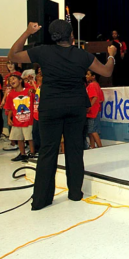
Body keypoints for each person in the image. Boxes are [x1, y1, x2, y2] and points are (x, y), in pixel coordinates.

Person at [8, 20, 115, 210]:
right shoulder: (82, 55)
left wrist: (27, 32)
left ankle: (41, 200)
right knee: (74, 150)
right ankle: (75, 193)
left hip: (50, 107)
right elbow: (106, 71)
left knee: (48, 151)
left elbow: (12, 55)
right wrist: (112, 56)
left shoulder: (43, 51)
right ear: (72, 35)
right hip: (75, 107)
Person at [5, 75, 35, 162]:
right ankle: (22, 154)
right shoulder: (11, 94)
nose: (11, 81)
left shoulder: (28, 91)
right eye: (10, 80)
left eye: (13, 79)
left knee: (29, 138)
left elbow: (35, 93)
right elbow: (10, 107)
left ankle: (32, 154)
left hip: (28, 120)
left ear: (20, 80)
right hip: (17, 120)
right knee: (19, 138)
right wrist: (9, 118)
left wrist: (32, 89)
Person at [86, 70, 104, 148]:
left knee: (92, 130)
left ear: (93, 76)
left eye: (88, 74)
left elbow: (95, 97)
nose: (86, 76)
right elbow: (101, 99)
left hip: (92, 112)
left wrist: (90, 106)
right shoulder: (97, 85)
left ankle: (100, 146)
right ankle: (92, 146)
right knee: (90, 130)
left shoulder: (92, 85)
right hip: (95, 111)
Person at [31, 65, 42, 155]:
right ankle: (37, 149)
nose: (38, 77)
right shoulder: (38, 87)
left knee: (41, 133)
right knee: (35, 133)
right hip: (35, 113)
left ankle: (41, 149)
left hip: (41, 114)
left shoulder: (44, 87)